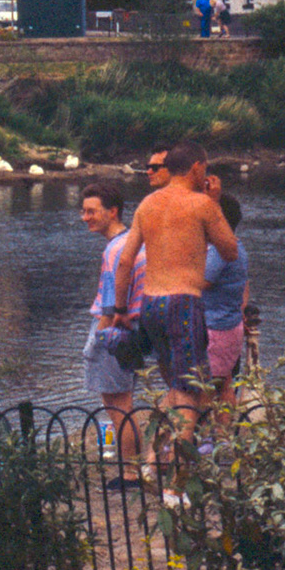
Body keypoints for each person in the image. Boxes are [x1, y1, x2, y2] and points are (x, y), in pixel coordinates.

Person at [109, 140, 239, 502]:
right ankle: (174, 485)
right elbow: (229, 249)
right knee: (189, 394)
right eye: (206, 167)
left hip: (150, 303)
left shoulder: (148, 204)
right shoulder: (202, 204)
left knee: (173, 386)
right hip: (183, 303)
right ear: (197, 168)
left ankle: (155, 462)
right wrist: (215, 204)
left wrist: (120, 309)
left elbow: (124, 262)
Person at [80, 180, 145, 484]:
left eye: (92, 211)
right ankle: (134, 464)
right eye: (83, 211)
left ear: (113, 211)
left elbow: (109, 307)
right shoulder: (134, 241)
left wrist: (95, 344)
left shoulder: (114, 251)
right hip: (133, 331)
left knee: (117, 406)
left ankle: (130, 471)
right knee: (125, 401)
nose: (85, 217)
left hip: (114, 332)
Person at [201, 193, 250, 430]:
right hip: (229, 324)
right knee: (225, 382)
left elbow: (202, 281)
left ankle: (208, 438)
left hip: (216, 327)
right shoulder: (236, 246)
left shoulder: (220, 251)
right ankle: (224, 435)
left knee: (205, 387)